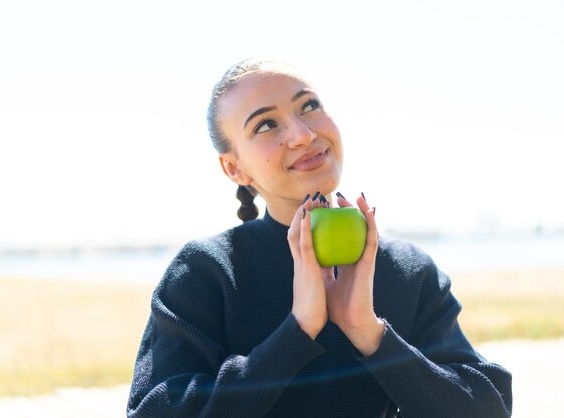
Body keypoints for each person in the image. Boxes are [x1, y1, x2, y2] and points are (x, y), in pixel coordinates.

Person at [126, 58, 513, 418]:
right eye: (266, 125)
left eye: (309, 106)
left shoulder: (407, 269)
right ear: (234, 168)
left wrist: (372, 334)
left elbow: (487, 408)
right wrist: (296, 333)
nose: (303, 134)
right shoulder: (207, 271)